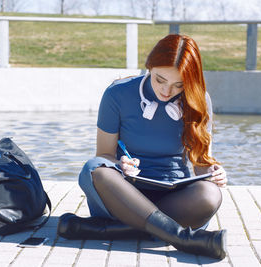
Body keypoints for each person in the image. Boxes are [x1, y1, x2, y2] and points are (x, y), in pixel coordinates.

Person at [57, 34, 228, 259]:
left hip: (174, 197)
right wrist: (120, 164)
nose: (167, 91)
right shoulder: (117, 94)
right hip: (125, 194)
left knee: (210, 194)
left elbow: (201, 162)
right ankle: (181, 237)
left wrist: (213, 173)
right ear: (149, 67)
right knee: (94, 169)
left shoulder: (199, 100)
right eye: (160, 80)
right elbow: (104, 154)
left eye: (178, 85)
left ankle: (104, 229)